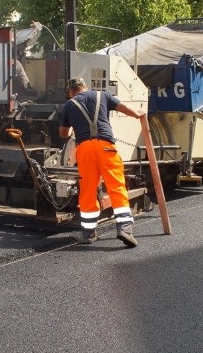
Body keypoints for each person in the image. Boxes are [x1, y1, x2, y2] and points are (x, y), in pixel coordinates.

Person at [58, 77, 144, 247]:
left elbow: (63, 134)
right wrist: (138, 114)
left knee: (88, 190)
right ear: (85, 86)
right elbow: (123, 108)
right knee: (116, 186)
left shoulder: (69, 105)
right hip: (106, 147)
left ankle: (88, 233)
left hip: (84, 150)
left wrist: (72, 128)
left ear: (70, 92)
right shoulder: (102, 95)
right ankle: (125, 229)